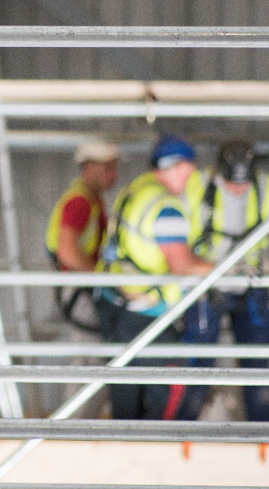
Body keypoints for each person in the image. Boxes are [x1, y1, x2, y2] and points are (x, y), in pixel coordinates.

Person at [96, 133, 215, 420]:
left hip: (118, 302)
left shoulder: (136, 190)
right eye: (189, 170)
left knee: (126, 391)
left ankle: (126, 453)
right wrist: (224, 269)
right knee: (167, 391)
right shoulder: (166, 207)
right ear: (178, 166)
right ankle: (157, 454)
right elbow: (182, 266)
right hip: (147, 313)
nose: (190, 178)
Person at [177, 139, 269, 422]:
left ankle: (264, 436)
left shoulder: (266, 187)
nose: (238, 189)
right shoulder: (197, 186)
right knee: (197, 363)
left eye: (243, 184)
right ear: (220, 172)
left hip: (249, 283)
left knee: (257, 363)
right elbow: (181, 232)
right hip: (207, 283)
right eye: (232, 183)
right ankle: (183, 433)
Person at [45, 141, 120, 330]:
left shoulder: (91, 200)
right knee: (91, 355)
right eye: (107, 168)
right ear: (89, 167)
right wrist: (103, 281)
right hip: (80, 288)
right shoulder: (81, 202)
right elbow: (67, 252)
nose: (114, 175)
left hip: (81, 285)